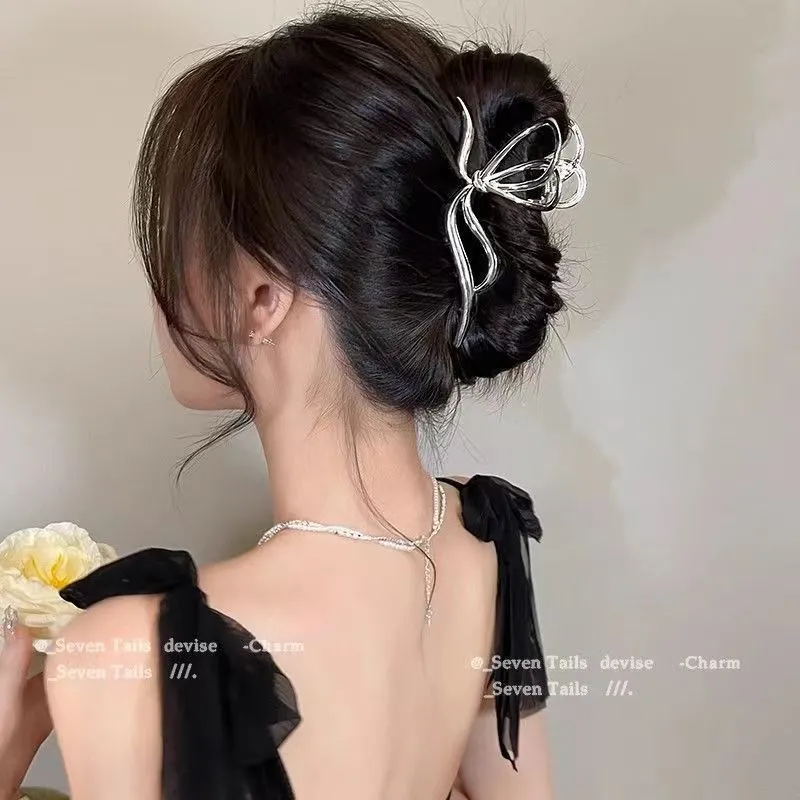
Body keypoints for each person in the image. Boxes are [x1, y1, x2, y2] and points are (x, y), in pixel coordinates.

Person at [5, 7, 587, 799]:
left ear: (261, 297)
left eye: (177, 249)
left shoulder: (132, 648)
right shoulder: (483, 541)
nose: (159, 291)